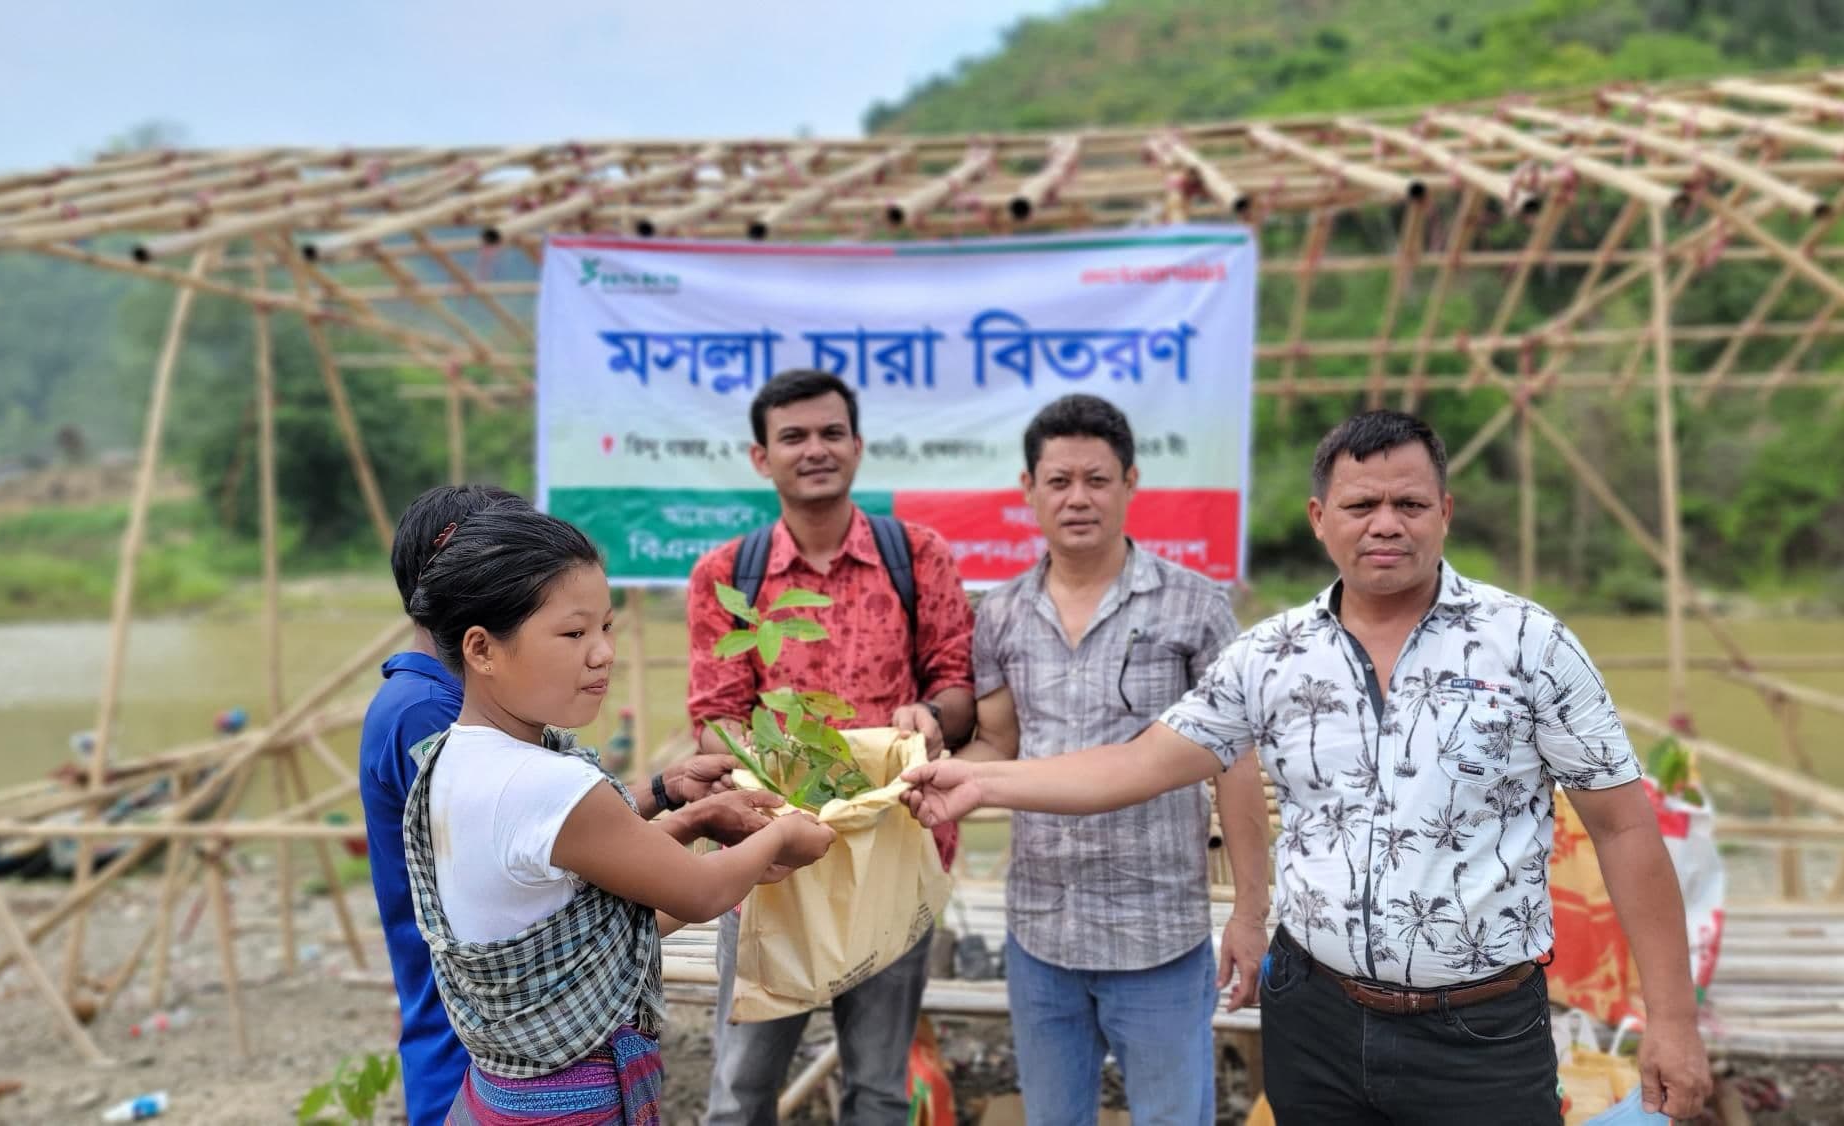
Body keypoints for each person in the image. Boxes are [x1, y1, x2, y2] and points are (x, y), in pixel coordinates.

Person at [903, 410, 1713, 1124]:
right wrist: (981, 781)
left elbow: (1625, 827)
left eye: (1409, 504)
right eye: (1361, 506)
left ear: (1446, 514)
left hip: (1481, 1027)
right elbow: (1137, 764)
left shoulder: (1530, 644)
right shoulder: (1273, 655)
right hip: (1316, 1018)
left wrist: (1672, 1022)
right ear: (1322, 519)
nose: (1385, 524)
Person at [401, 506, 838, 1125]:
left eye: (606, 627)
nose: (603, 653)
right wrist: (783, 837)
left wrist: (687, 824)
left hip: (495, 1099)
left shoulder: (449, 759)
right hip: (572, 1109)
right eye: (574, 635)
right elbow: (700, 890)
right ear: (482, 648)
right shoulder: (549, 783)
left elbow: (582, 930)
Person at [954, 394, 1270, 1125]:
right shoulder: (999, 613)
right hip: (1041, 929)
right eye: (1058, 481)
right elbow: (998, 745)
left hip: (1156, 932)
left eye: (1097, 480)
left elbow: (1236, 764)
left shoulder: (1193, 606)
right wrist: (920, 763)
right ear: (1027, 490)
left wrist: (1250, 914)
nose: (1078, 498)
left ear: (1131, 483)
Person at [685, 370, 976, 1125]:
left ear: (857, 445)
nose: (815, 450)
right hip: (770, 864)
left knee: (878, 1085)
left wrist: (931, 715)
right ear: (761, 457)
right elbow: (715, 720)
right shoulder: (727, 577)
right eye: (793, 437)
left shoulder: (916, 554)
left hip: (892, 853)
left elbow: (957, 682)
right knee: (740, 1088)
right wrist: (762, 758)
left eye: (830, 433)